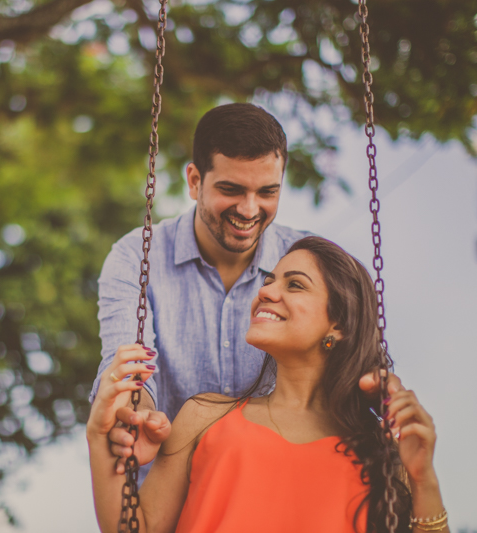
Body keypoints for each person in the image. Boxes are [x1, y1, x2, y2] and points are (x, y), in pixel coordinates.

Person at [90, 103, 405, 473]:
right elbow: (128, 363)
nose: (249, 209)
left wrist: (379, 391)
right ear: (195, 181)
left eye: (267, 192)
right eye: (231, 189)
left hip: (275, 481)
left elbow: (352, 359)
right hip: (166, 484)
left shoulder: (309, 262)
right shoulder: (136, 256)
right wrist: (136, 410)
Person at [88, 237, 448, 533]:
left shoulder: (379, 451)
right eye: (268, 281)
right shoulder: (203, 416)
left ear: (338, 324)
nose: (267, 292)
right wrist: (99, 436)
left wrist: (423, 479)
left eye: (295, 285)